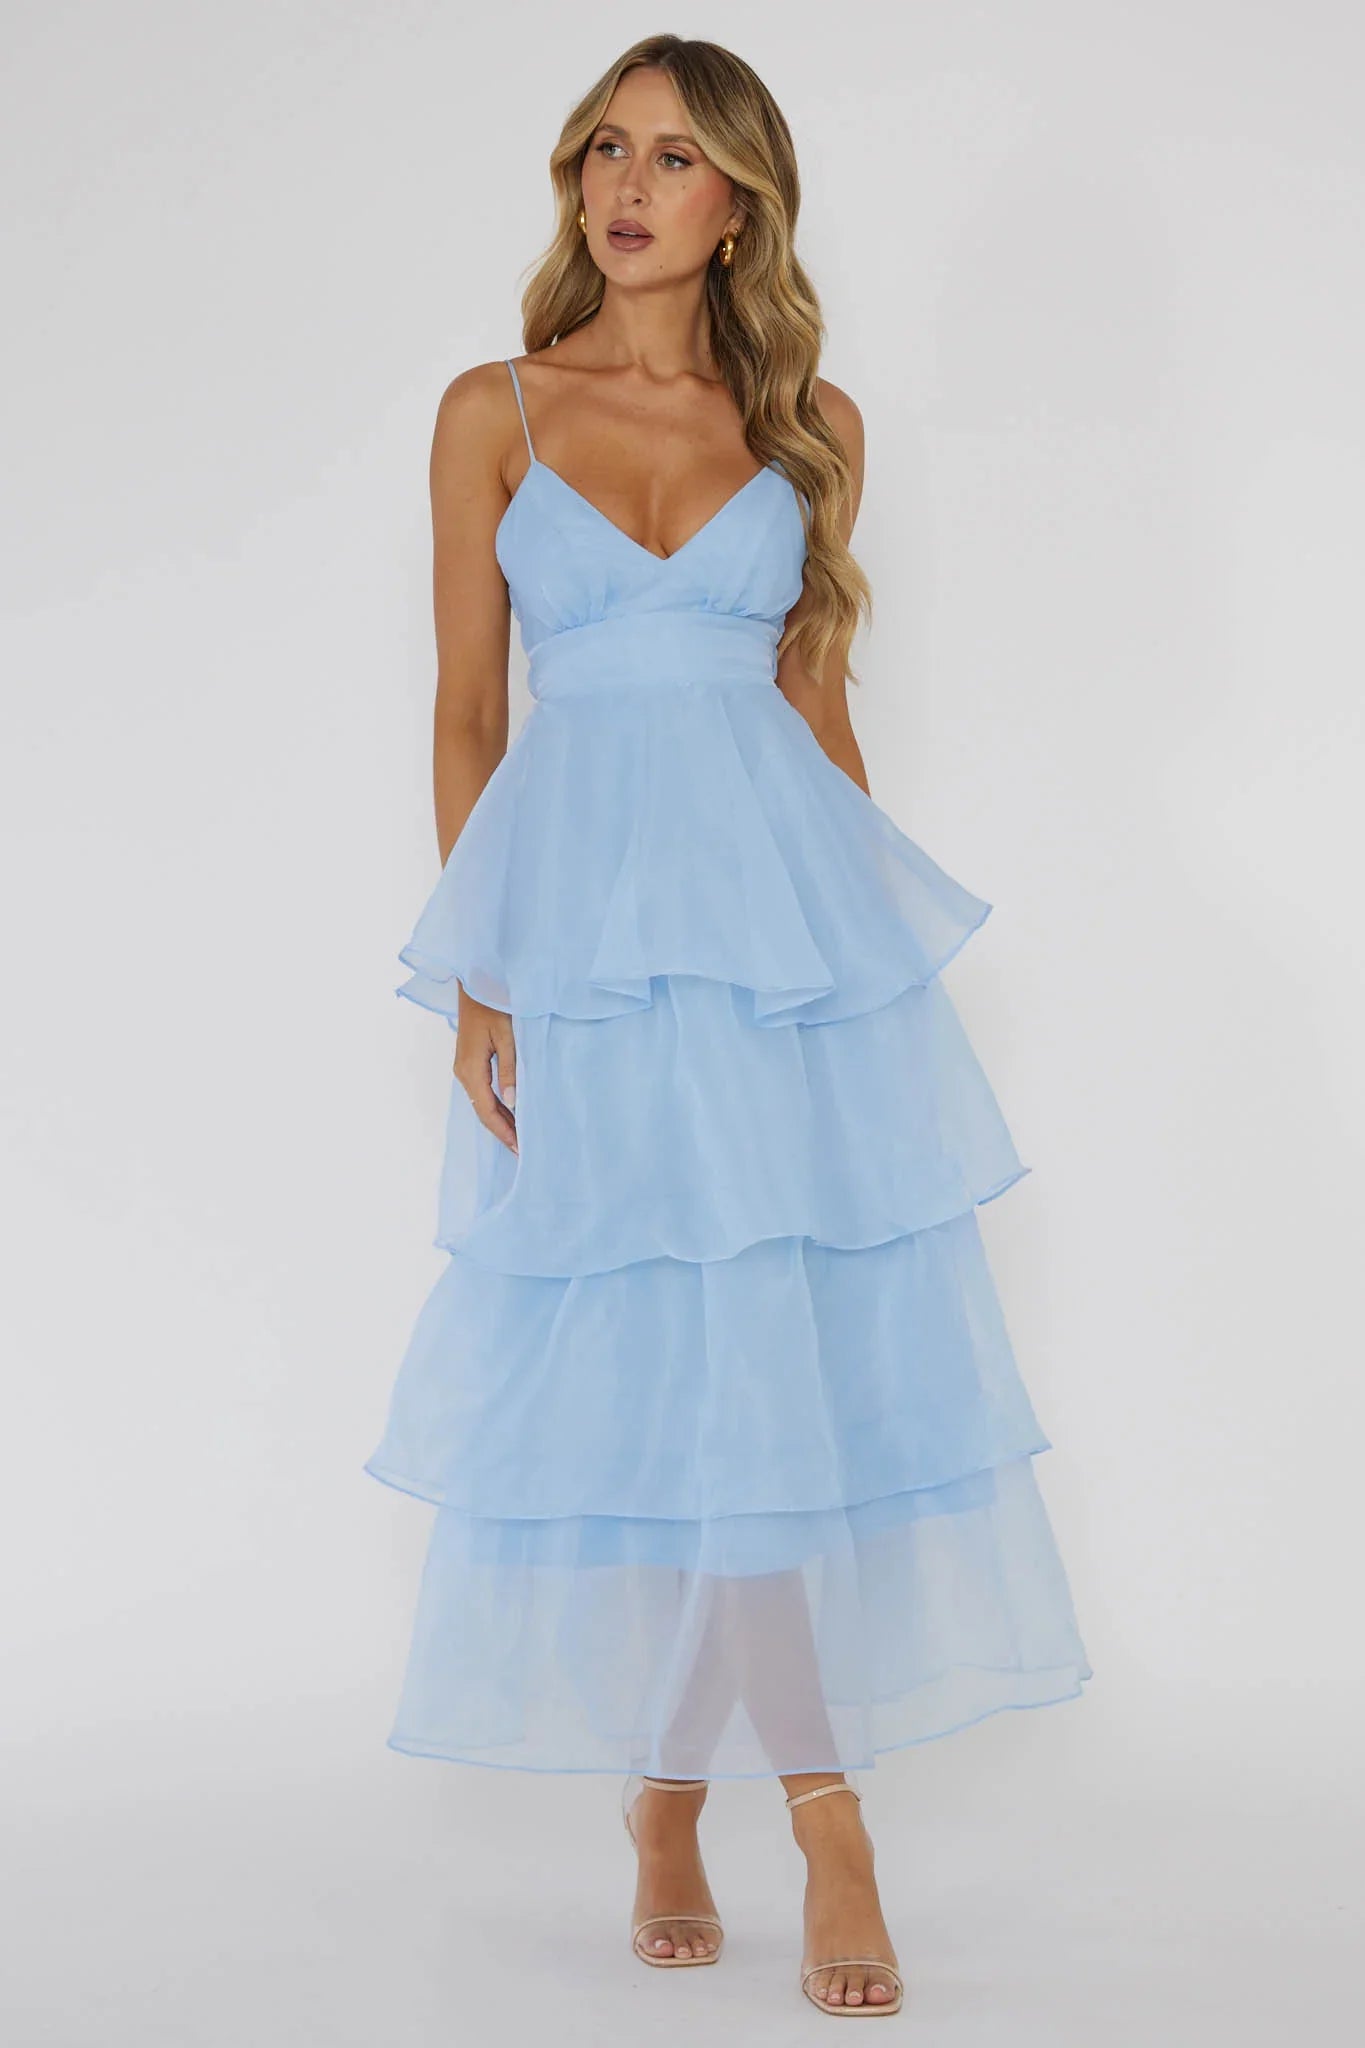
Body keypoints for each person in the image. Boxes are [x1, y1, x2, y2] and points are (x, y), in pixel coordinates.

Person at [365, 32, 1091, 2019]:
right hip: (590, 962)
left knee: (756, 1385)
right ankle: (803, 1812)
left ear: (739, 204)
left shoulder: (810, 424)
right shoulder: (496, 409)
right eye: (605, 149)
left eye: (674, 158)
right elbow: (465, 711)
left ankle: (697, 1800)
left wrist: (869, 987)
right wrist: (481, 975)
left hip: (771, 961)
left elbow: (814, 717)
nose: (627, 185)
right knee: (680, 1391)